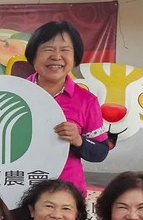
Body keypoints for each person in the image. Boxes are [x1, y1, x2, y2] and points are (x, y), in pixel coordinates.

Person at [23, 20, 108, 196]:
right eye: (48, 49)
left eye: (65, 50)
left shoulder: (86, 101)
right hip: (18, 191)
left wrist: (78, 141)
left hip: (67, 196)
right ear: (32, 56)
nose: (56, 56)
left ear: (75, 57)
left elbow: (100, 152)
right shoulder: (13, 94)